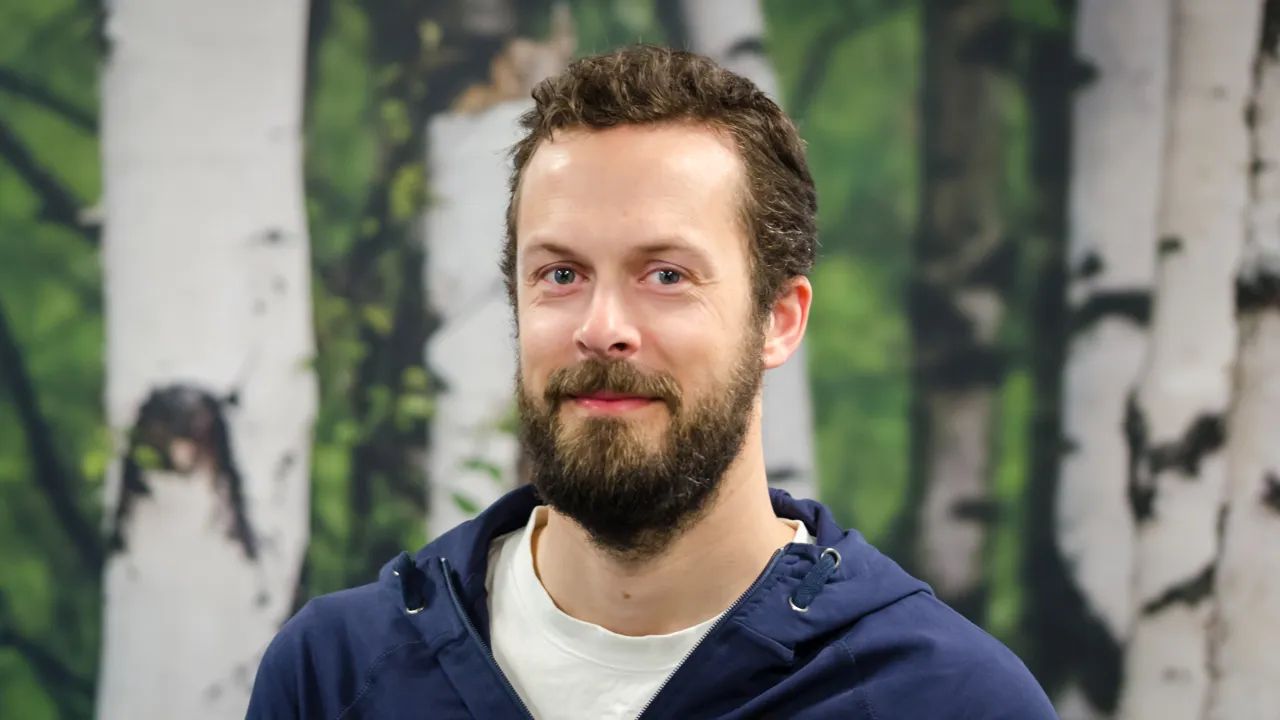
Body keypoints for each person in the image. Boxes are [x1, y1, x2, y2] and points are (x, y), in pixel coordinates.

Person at [246, 44, 1059, 719]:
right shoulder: (338, 675)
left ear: (779, 319)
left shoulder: (946, 699)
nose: (602, 327)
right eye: (560, 273)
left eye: (666, 275)